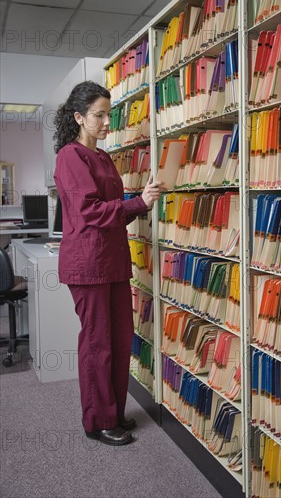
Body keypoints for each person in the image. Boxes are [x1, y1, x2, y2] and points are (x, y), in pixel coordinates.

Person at [53, 81, 161, 446]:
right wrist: (138, 203)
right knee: (98, 344)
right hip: (89, 266)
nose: (105, 122)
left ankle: (112, 411)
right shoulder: (70, 156)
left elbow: (114, 216)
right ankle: (97, 421)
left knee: (119, 340)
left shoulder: (102, 157)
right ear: (79, 117)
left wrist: (138, 203)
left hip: (113, 262)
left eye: (108, 114)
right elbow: (88, 212)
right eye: (98, 115)